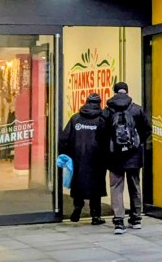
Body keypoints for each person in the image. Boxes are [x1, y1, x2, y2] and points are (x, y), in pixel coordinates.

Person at [104, 81, 151, 235]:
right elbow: (147, 129)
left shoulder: (108, 111)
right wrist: (138, 144)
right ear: (127, 91)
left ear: (115, 92)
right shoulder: (137, 109)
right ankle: (136, 219)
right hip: (134, 156)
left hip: (114, 156)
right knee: (135, 185)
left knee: (116, 187)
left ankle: (118, 221)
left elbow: (102, 133)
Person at [58, 92, 108, 225]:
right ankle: (95, 216)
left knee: (78, 183)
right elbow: (107, 140)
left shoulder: (76, 118)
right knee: (96, 187)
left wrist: (65, 154)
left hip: (78, 158)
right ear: (99, 104)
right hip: (97, 159)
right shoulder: (102, 119)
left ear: (86, 102)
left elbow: (64, 138)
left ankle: (78, 207)